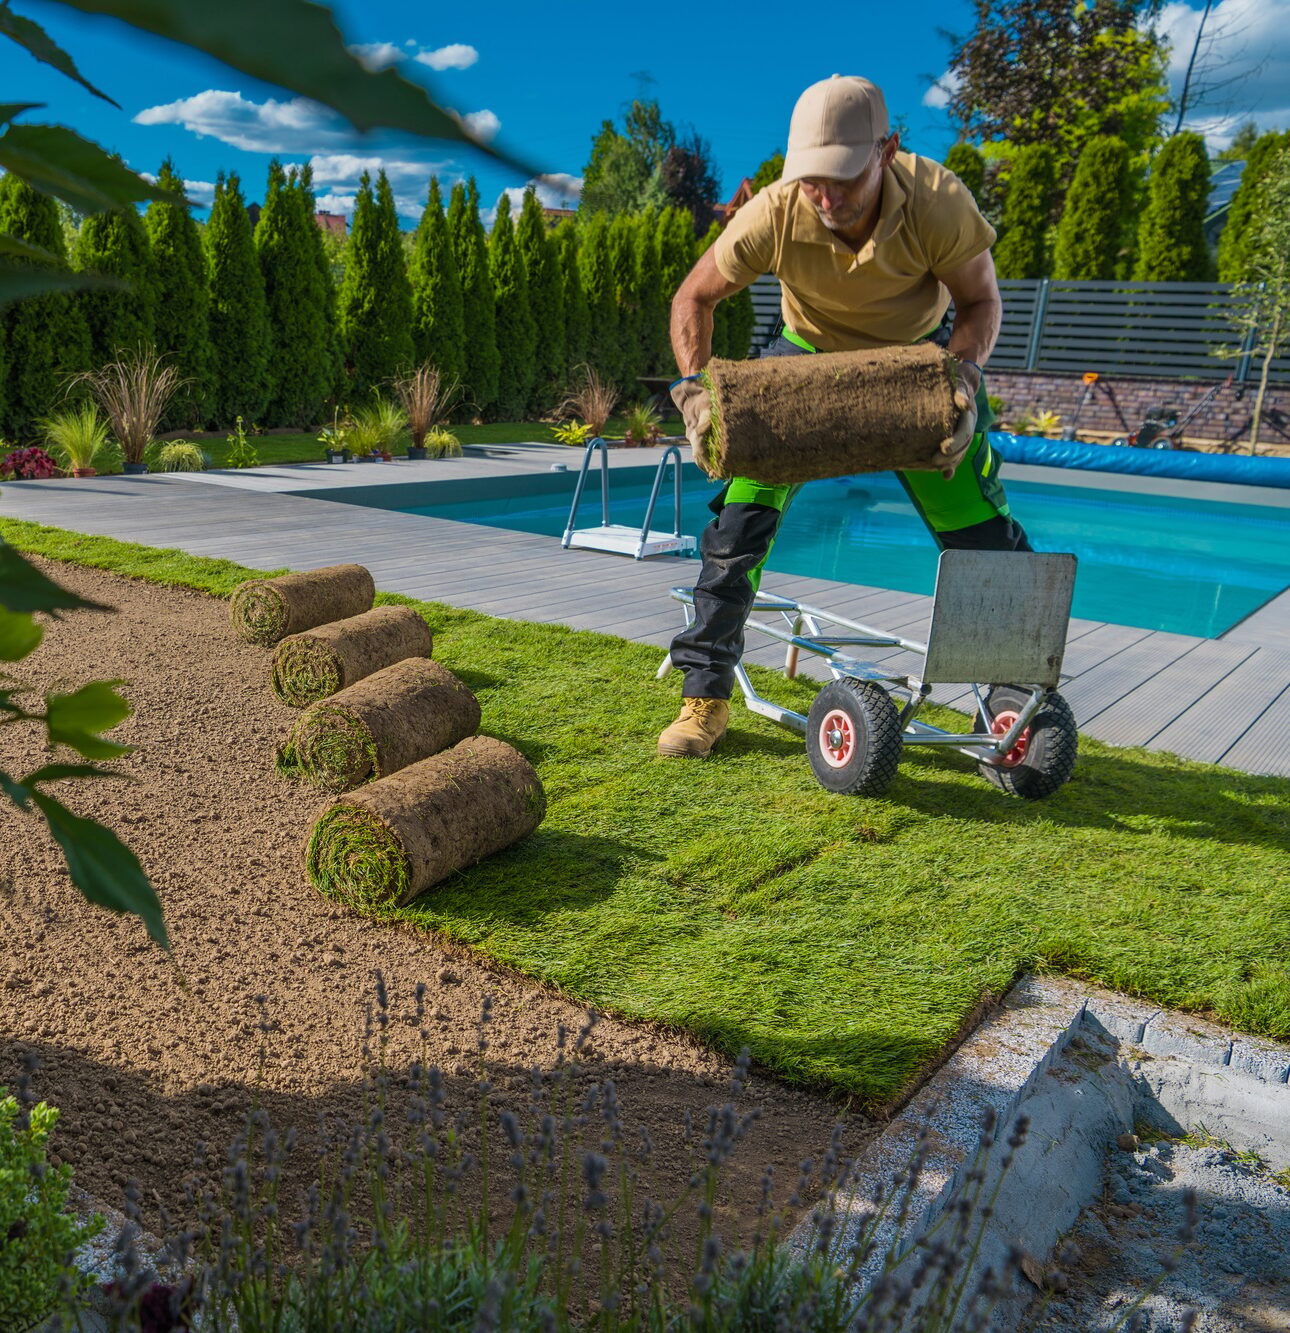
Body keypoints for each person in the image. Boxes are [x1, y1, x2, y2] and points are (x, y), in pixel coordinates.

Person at [658, 74, 1031, 759]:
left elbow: (980, 304)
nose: (825, 198)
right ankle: (704, 697)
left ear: (886, 151)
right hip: (805, 360)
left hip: (914, 366)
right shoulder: (773, 211)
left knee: (979, 523)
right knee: (739, 522)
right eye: (810, 182)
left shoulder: (940, 201)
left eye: (842, 179)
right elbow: (694, 296)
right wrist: (694, 389)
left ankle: (1014, 705)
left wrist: (964, 378)